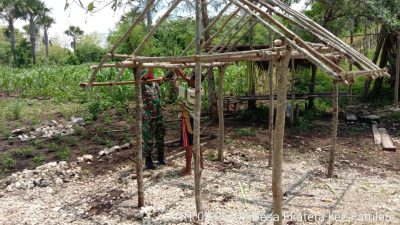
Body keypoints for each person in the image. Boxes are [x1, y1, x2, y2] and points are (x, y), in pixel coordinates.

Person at [172, 68, 204, 176]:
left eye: (192, 78)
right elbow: (189, 82)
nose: (189, 79)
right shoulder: (200, 89)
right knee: (196, 141)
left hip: (188, 120)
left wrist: (175, 76)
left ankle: (188, 169)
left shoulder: (189, 92)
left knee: (188, 145)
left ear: (195, 81)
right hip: (195, 119)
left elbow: (176, 86)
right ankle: (201, 165)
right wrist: (183, 75)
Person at [141, 67, 166, 170]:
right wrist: (149, 69)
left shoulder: (155, 84)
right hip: (149, 117)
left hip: (159, 116)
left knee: (160, 136)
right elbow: (143, 78)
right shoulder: (143, 85)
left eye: (152, 72)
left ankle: (161, 157)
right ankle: (148, 160)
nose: (151, 74)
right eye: (149, 73)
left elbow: (164, 78)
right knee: (148, 139)